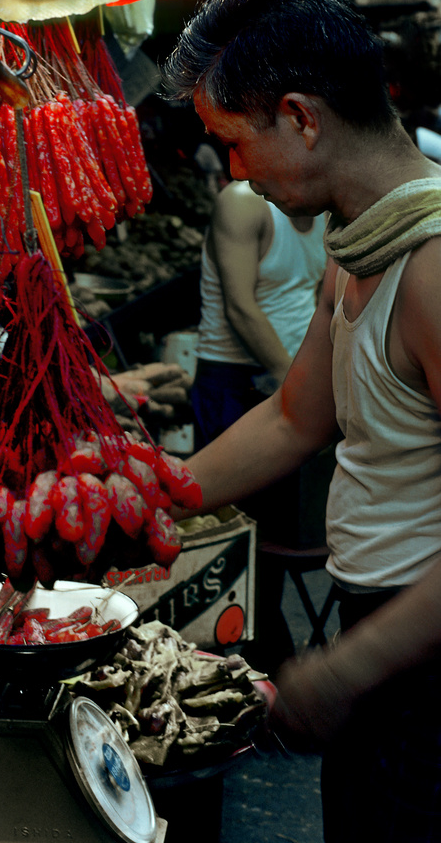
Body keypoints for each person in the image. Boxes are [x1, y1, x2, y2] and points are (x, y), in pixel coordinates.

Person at [160, 0, 441, 843]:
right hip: (378, 638)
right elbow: (294, 418)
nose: (236, 176)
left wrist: (347, 666)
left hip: (418, 660)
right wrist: (150, 508)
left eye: (236, 144)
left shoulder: (431, 268)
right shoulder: (358, 245)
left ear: (300, 118)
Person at [193, 178, 327, 673]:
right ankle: (254, 659)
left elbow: (315, 298)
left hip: (290, 378)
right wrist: (293, 382)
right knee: (237, 536)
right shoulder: (243, 204)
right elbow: (240, 307)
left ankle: (262, 658)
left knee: (276, 536)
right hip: (234, 383)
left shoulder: (323, 210)